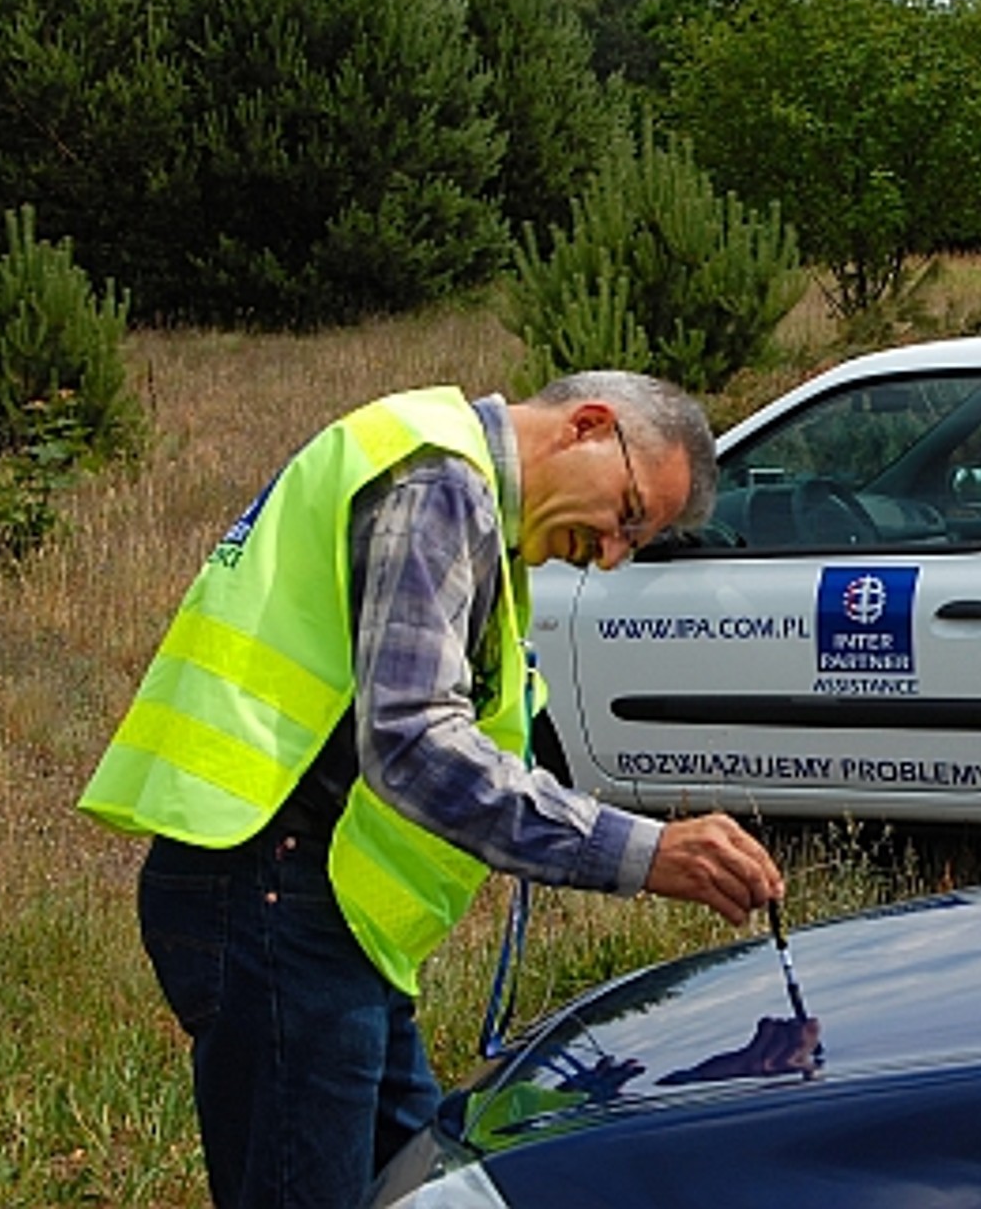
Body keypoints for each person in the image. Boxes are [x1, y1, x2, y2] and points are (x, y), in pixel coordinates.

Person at [78, 372, 785, 1208]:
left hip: (326, 911)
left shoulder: (464, 493)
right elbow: (414, 743)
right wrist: (645, 852)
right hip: (275, 898)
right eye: (627, 515)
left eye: (636, 543)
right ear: (589, 426)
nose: (611, 553)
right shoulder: (439, 483)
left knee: (426, 1187)